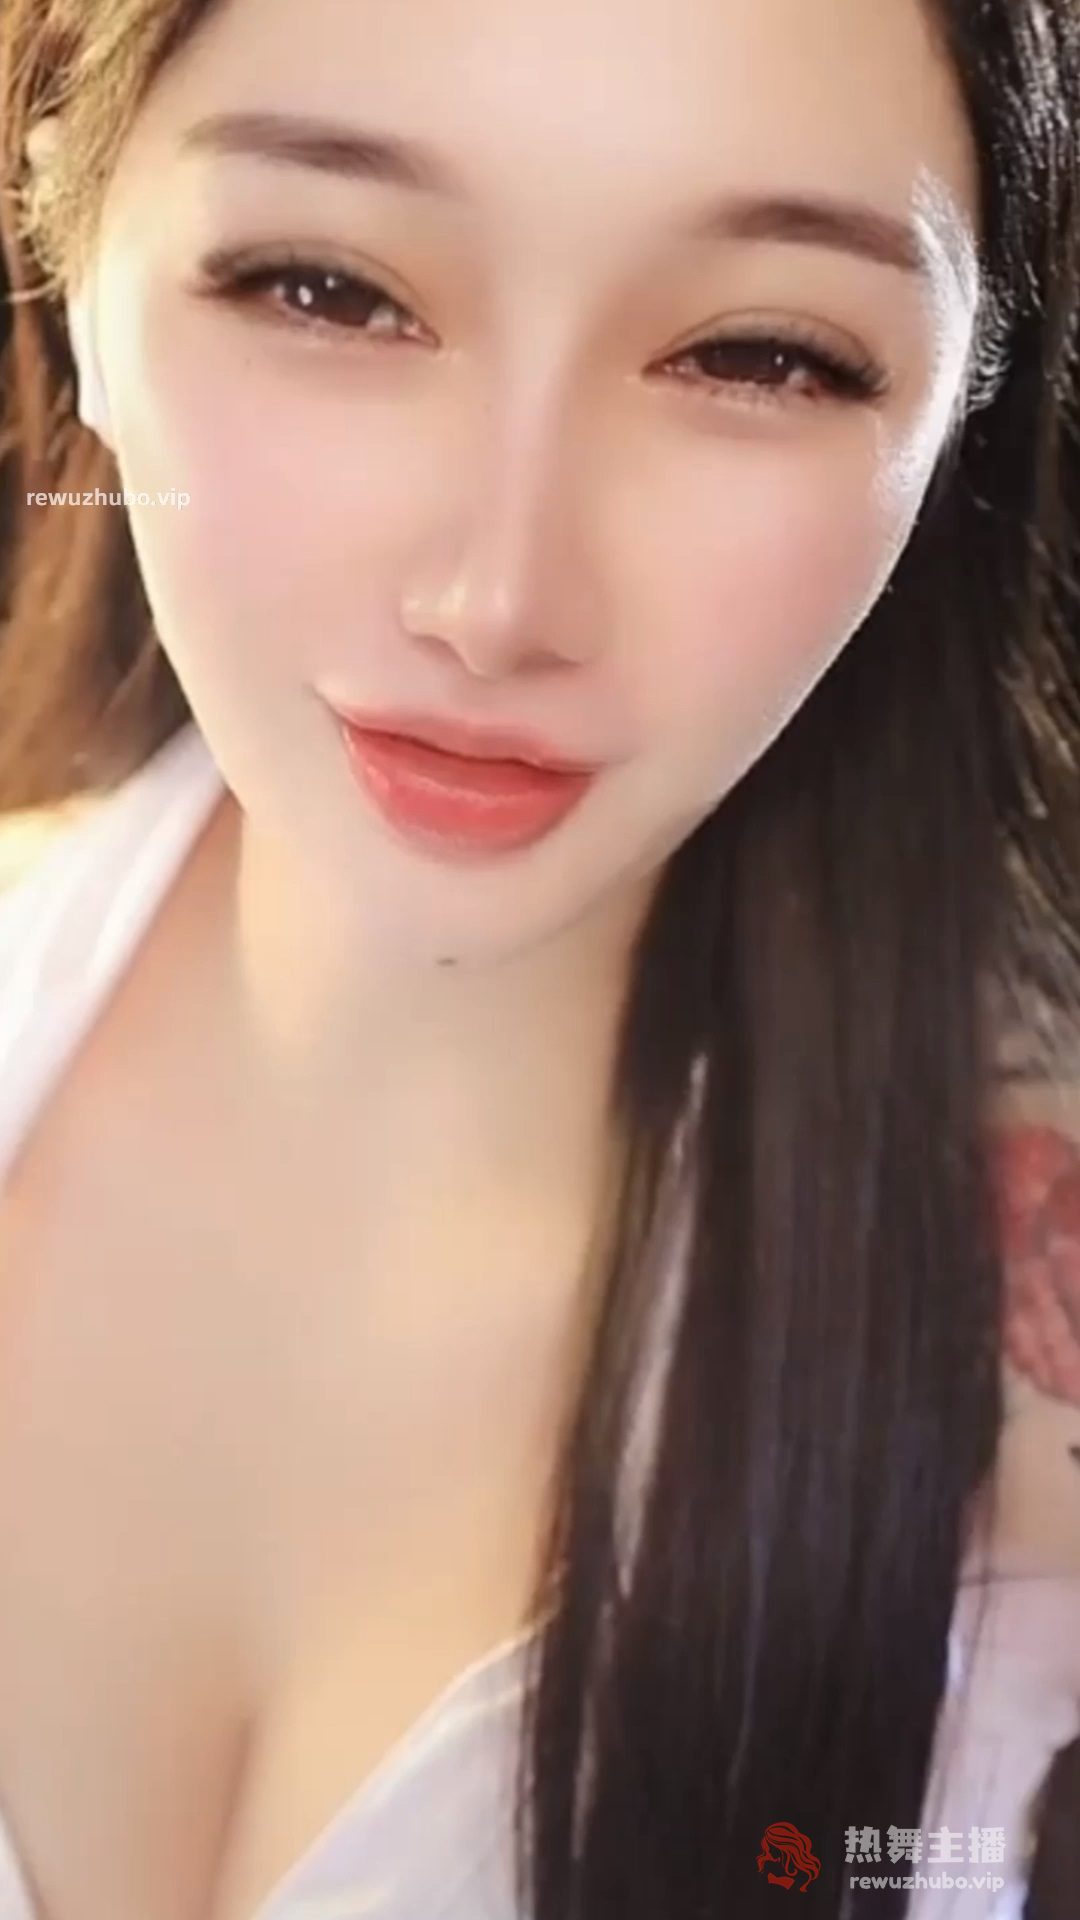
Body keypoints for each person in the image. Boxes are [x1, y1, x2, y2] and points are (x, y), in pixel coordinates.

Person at [0, 1, 1077, 1917]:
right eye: (329, 290)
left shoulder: (1025, 1384)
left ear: (960, 414)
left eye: (760, 353)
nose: (499, 600)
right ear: (64, 250)